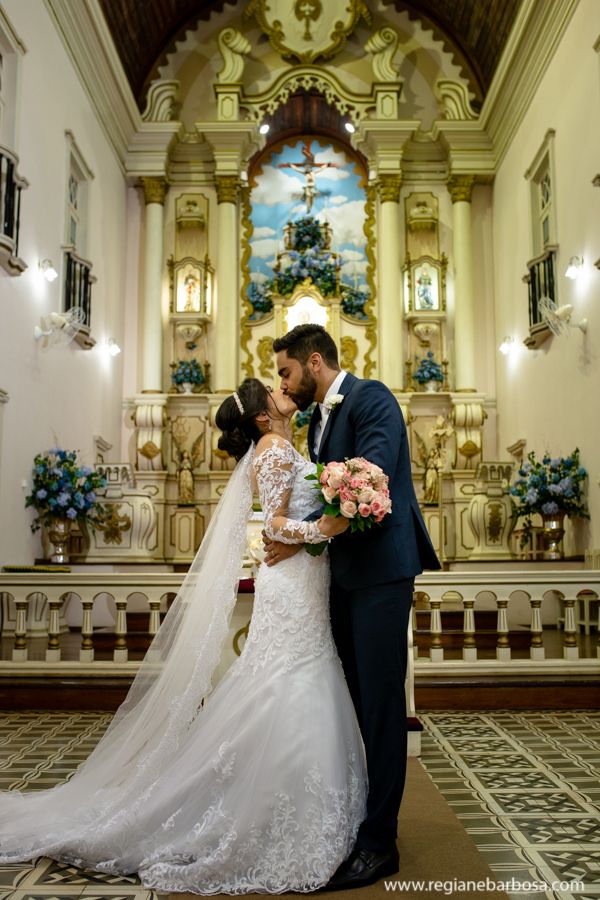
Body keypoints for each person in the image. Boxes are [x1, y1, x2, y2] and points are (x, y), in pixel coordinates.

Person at [0, 379, 367, 895]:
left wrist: (323, 522)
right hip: (293, 581)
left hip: (301, 578)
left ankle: (275, 799)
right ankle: (274, 808)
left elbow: (283, 520)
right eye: (272, 391)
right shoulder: (276, 448)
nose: (282, 390)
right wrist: (329, 528)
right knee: (286, 678)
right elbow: (277, 523)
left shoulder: (284, 444)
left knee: (285, 677)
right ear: (263, 417)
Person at [266, 323, 441, 890]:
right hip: (343, 577)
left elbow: (372, 478)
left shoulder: (372, 398)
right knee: (358, 704)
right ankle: (360, 820)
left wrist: (307, 532)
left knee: (384, 707)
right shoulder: (319, 420)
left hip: (382, 574)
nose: (284, 385)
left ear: (314, 362)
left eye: (287, 372)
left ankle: (379, 844)